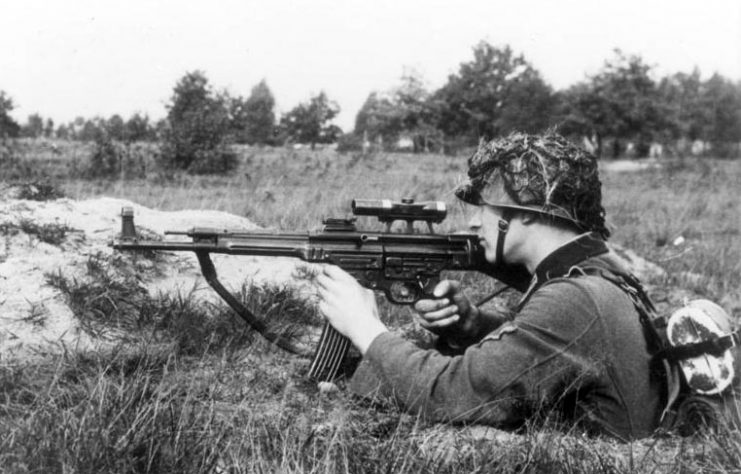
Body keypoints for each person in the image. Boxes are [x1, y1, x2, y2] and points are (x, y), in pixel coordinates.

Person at [315, 131, 666, 440]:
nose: (473, 220)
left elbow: (450, 393)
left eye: (485, 207)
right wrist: (472, 326)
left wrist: (363, 326)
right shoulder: (597, 271)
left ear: (527, 210)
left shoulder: (575, 299)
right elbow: (552, 351)